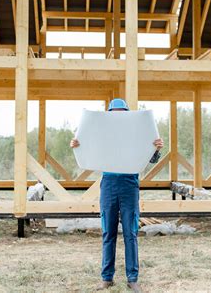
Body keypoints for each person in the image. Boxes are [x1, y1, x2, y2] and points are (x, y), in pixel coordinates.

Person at [70, 98, 164, 293]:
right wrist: (78, 145)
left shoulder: (136, 134)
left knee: (131, 233)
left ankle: (132, 279)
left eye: (122, 112)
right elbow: (87, 150)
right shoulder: (102, 135)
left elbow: (151, 158)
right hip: (109, 185)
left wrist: (156, 148)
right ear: (110, 114)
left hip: (130, 184)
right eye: (115, 112)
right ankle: (106, 278)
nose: (118, 116)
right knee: (108, 233)